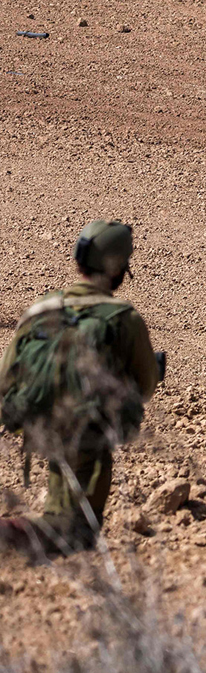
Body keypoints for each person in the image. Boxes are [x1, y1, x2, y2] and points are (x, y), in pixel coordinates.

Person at [0, 220, 160, 557]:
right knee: (77, 531)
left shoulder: (40, 310)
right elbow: (144, 387)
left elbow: (6, 378)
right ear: (118, 271)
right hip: (89, 430)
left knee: (65, 516)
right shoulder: (123, 318)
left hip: (36, 422)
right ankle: (13, 537)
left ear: (78, 262)